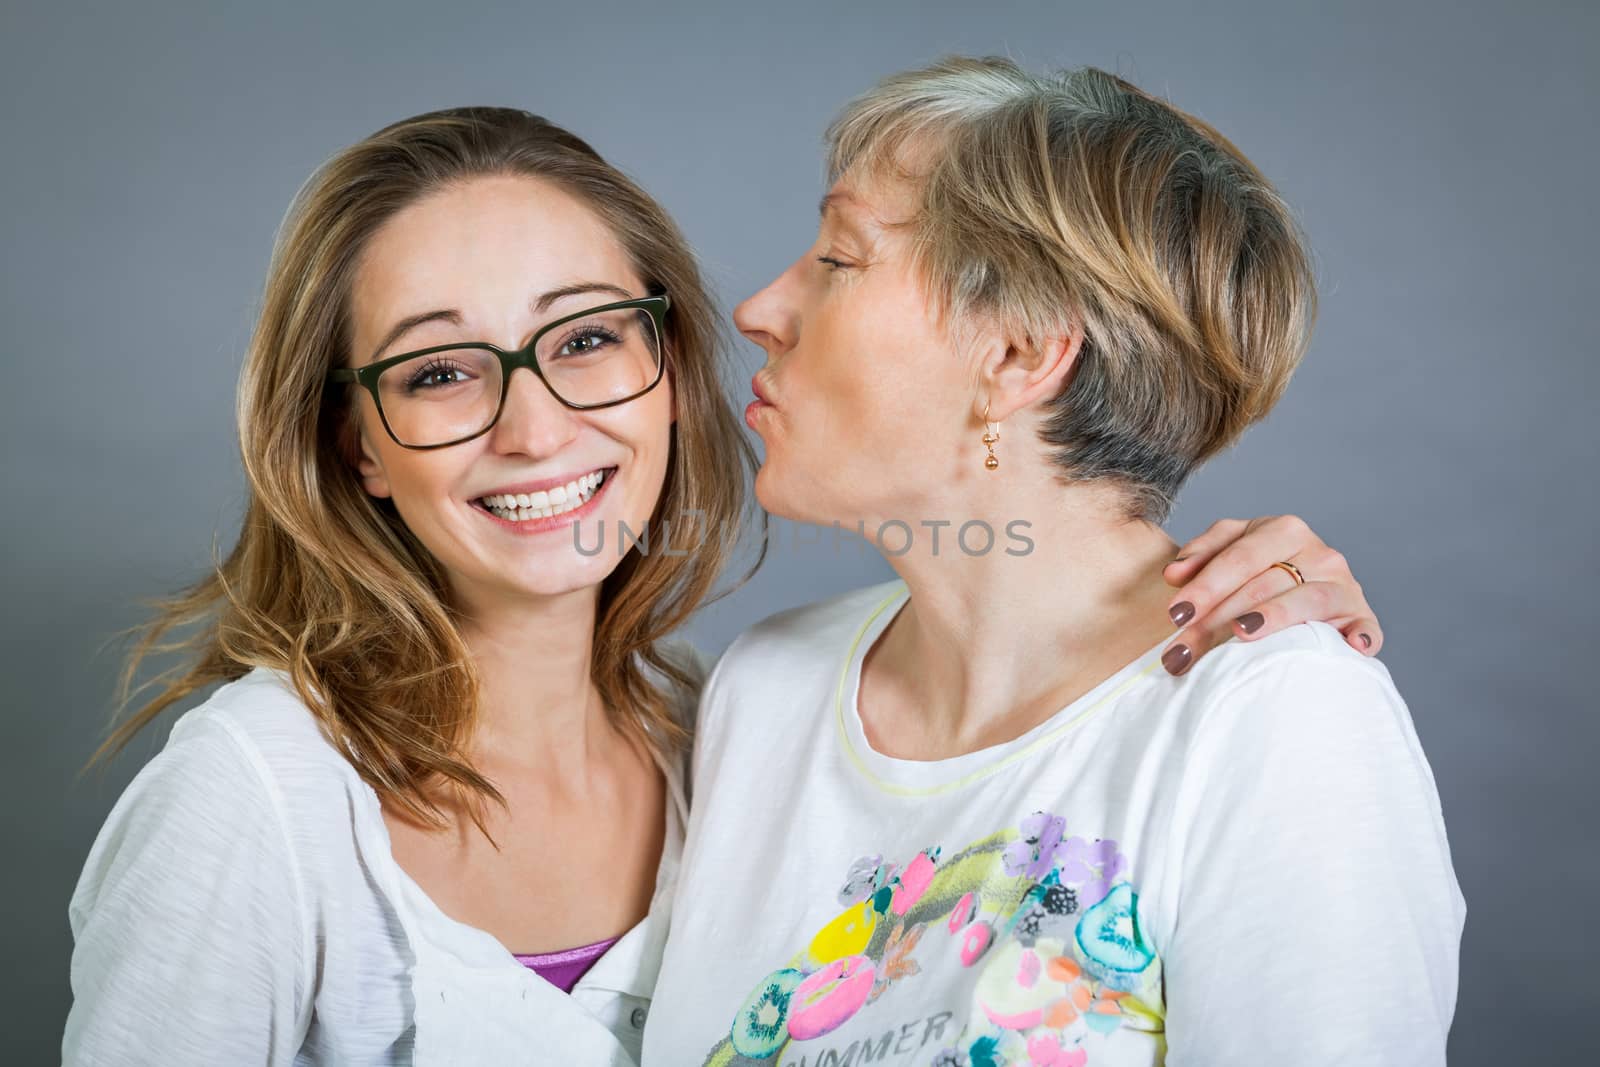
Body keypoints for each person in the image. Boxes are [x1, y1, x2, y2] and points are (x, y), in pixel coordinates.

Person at [64, 106, 1384, 1065]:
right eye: (438, 370)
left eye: (585, 338)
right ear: (354, 441)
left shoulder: (708, 724)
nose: (532, 428)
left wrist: (1270, 649)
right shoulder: (764, 706)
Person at [646, 59, 1463, 1067]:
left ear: (1020, 354)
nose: (760, 308)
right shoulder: (763, 689)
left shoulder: (1270, 717)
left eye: (841, 258)